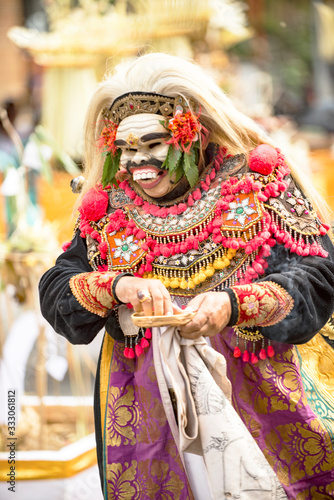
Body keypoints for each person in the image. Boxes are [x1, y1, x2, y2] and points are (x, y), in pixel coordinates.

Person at [39, 53, 334, 499]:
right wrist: (119, 286)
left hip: (262, 399)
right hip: (150, 415)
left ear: (192, 134)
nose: (139, 162)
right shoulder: (108, 206)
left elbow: (319, 274)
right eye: (127, 148)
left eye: (153, 144)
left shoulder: (254, 179)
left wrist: (233, 305)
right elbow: (58, 290)